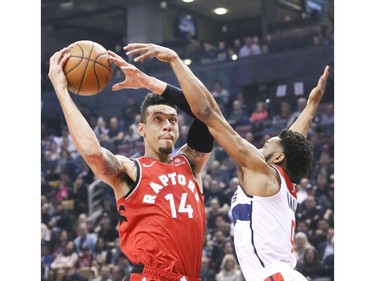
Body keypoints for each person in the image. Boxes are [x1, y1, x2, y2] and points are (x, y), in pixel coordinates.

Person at [120, 43, 329, 281]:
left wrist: (174, 61)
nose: (260, 146)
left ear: (278, 158)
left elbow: (208, 113)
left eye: (266, 145)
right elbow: (293, 141)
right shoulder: (284, 181)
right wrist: (312, 105)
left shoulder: (260, 169)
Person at [48, 47, 214, 281]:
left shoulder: (191, 163)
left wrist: (152, 82)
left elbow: (206, 113)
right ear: (141, 130)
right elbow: (93, 154)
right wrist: (62, 90)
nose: (167, 125)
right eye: (158, 119)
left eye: (173, 120)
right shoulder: (130, 169)